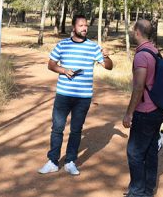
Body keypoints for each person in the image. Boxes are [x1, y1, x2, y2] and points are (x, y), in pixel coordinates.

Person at [38, 14, 113, 176]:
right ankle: (52, 161)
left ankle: (70, 161)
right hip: (63, 95)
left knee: (76, 129)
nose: (84, 28)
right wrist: (64, 70)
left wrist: (106, 56)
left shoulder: (93, 47)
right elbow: (51, 65)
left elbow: (108, 67)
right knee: (57, 128)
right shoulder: (62, 45)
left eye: (85, 25)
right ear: (74, 27)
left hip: (83, 97)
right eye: (81, 26)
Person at [122, 19, 163, 197]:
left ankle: (137, 192)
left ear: (137, 32)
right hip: (157, 110)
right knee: (150, 152)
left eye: (134, 31)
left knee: (134, 153)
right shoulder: (155, 51)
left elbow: (139, 87)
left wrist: (129, 113)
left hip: (145, 112)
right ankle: (147, 190)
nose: (133, 33)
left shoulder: (141, 55)